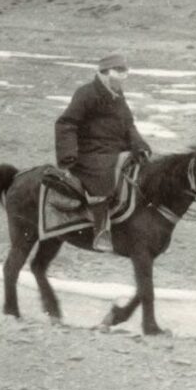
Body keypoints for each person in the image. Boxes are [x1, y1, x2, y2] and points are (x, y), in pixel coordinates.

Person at [55, 54, 151, 252]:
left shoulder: (118, 96)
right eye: (119, 71)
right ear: (105, 73)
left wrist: (140, 145)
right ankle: (101, 230)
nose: (123, 76)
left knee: (142, 170)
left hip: (115, 149)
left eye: (125, 71)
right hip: (89, 152)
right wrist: (68, 153)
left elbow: (129, 125)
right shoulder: (86, 93)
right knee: (104, 172)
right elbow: (67, 123)